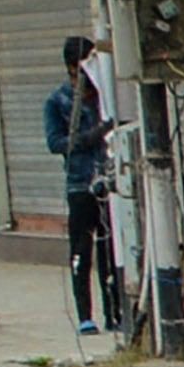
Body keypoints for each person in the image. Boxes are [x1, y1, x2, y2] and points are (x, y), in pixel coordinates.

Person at [46, 33, 119, 341]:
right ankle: (85, 315)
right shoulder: (59, 101)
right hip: (79, 183)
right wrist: (90, 136)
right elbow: (56, 143)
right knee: (81, 250)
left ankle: (113, 311)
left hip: (107, 179)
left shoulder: (105, 96)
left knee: (109, 250)